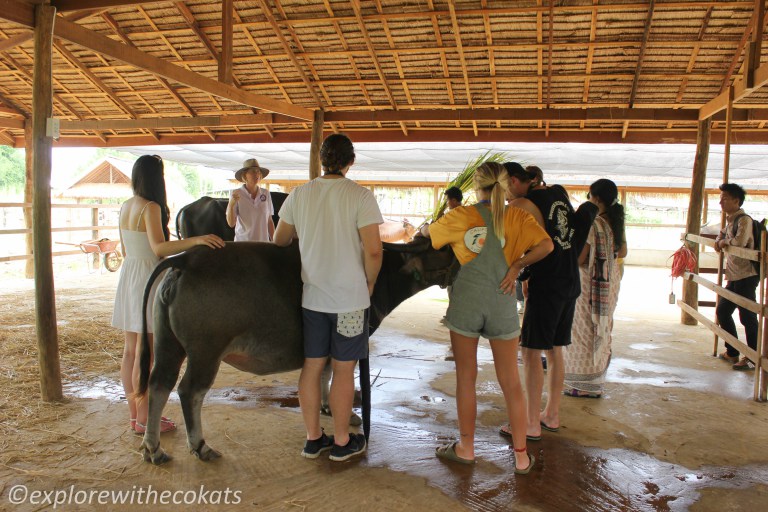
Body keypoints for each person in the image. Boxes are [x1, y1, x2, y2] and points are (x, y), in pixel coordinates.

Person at [428, 162, 553, 473]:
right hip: (502, 300)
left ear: (476, 187)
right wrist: (517, 266)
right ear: (506, 185)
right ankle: (522, 456)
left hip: (467, 302)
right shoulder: (518, 217)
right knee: (511, 382)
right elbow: (547, 245)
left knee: (466, 378)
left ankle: (466, 448)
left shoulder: (462, 216)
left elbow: (432, 237)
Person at [273, 134, 383, 462]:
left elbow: (279, 239)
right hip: (350, 301)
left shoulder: (300, 195)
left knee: (313, 366)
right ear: (350, 162)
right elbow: (374, 251)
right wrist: (370, 284)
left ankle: (312, 439)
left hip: (313, 300)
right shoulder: (360, 196)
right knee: (344, 370)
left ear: (322, 160)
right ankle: (341, 440)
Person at [111, 155, 225, 434]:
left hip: (129, 276)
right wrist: (197, 240)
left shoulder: (126, 206)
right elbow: (159, 248)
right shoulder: (149, 207)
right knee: (146, 353)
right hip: (148, 278)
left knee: (130, 352)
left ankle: (134, 415)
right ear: (155, 178)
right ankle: (144, 418)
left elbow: (126, 250)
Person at [502, 163, 598, 441]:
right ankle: (551, 415)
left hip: (548, 282)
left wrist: (522, 270)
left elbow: (531, 243)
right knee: (555, 351)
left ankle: (531, 423)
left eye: (506, 186)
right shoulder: (558, 192)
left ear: (517, 181)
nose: (506, 194)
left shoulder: (523, 202)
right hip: (569, 280)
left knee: (531, 352)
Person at [563, 179, 627, 397]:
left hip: (590, 281)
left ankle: (583, 386)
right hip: (610, 279)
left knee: (583, 330)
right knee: (602, 325)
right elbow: (623, 252)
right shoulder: (615, 222)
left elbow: (581, 258)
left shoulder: (595, 224)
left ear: (596, 198)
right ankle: (596, 381)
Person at [714, 183, 760, 371]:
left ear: (736, 200)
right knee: (723, 311)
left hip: (746, 275)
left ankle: (752, 358)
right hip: (734, 275)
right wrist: (720, 241)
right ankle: (732, 351)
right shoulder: (730, 220)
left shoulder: (744, 220)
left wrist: (724, 242)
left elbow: (740, 242)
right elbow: (721, 237)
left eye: (725, 198)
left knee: (748, 316)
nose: (721, 202)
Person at [226, 158, 275, 241]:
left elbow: (269, 221)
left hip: (263, 245)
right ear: (245, 175)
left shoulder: (266, 193)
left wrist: (275, 241)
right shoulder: (236, 193)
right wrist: (231, 205)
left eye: (258, 171)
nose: (257, 174)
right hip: (243, 245)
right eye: (253, 171)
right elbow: (231, 224)